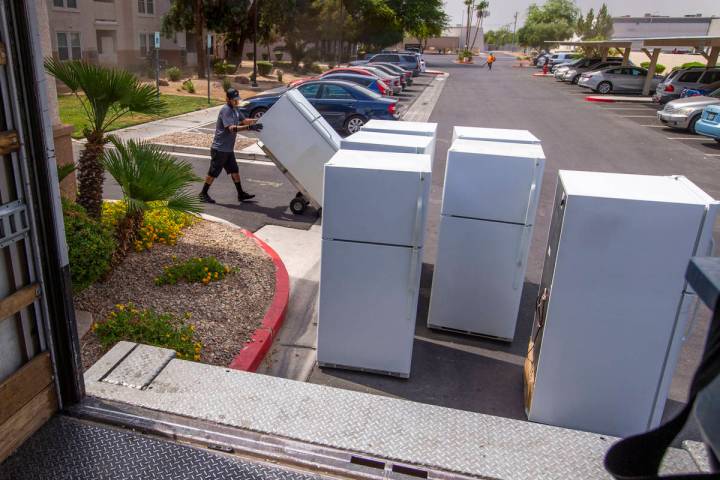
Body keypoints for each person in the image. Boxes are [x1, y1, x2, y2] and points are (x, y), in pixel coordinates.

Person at [200, 88, 263, 204]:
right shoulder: (226, 110)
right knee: (213, 173)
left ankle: (240, 194)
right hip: (219, 149)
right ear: (227, 99)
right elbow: (231, 129)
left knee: (235, 170)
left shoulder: (235, 109)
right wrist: (249, 128)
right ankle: (203, 193)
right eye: (234, 100)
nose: (236, 102)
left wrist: (259, 120)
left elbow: (245, 121)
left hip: (228, 149)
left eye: (237, 99)